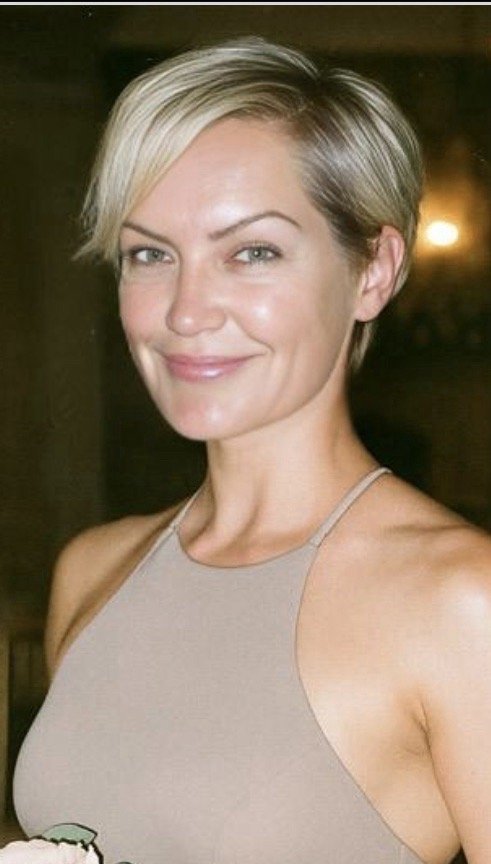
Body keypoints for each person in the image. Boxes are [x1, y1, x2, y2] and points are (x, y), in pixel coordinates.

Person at [12, 36, 491, 864]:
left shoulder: (460, 601)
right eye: (150, 254)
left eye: (252, 252)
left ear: (373, 270)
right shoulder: (92, 571)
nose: (185, 311)